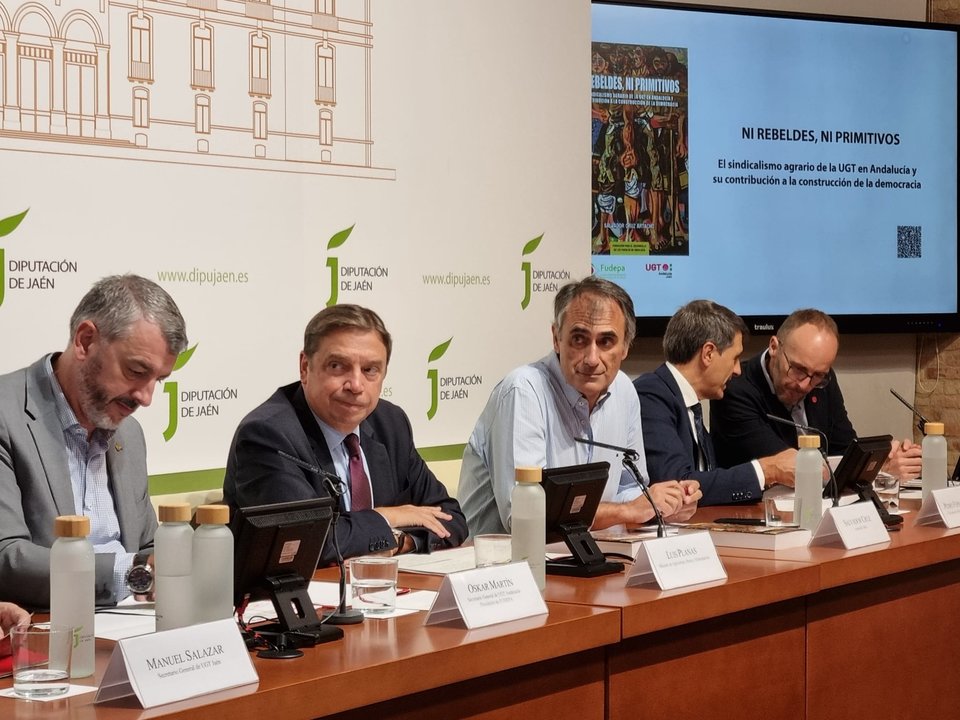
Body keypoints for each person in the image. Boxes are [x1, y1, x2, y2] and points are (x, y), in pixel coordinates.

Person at [223, 304, 467, 564]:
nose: (356, 385)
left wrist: (400, 542)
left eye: (370, 370)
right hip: (294, 599)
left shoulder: (390, 423)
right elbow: (307, 542)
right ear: (305, 367)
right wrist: (392, 518)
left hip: (385, 593)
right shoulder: (268, 435)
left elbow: (451, 519)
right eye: (338, 366)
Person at [458, 276, 701, 536]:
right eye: (579, 339)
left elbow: (628, 490)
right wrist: (628, 510)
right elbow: (525, 517)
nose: (592, 358)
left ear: (626, 347)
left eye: (606, 341)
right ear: (556, 338)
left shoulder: (625, 391)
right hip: (502, 567)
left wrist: (664, 503)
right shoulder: (524, 391)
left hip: (585, 557)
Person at [0, 275, 188, 608]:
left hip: (135, 626)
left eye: (158, 380)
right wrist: (132, 573)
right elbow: (7, 558)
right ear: (85, 341)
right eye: (135, 370)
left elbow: (146, 544)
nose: (146, 398)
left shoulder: (129, 434)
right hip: (48, 632)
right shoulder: (6, 415)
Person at [710, 308, 921, 479]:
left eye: (818, 375)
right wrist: (878, 471)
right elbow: (789, 467)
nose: (804, 385)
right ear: (774, 347)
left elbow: (844, 447)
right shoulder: (735, 387)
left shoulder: (823, 382)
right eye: (798, 369)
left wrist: (881, 459)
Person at [633, 300, 794, 505]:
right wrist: (766, 470)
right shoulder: (651, 394)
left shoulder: (691, 404)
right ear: (708, 353)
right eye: (734, 358)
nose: (737, 370)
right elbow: (678, 485)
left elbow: (705, 481)